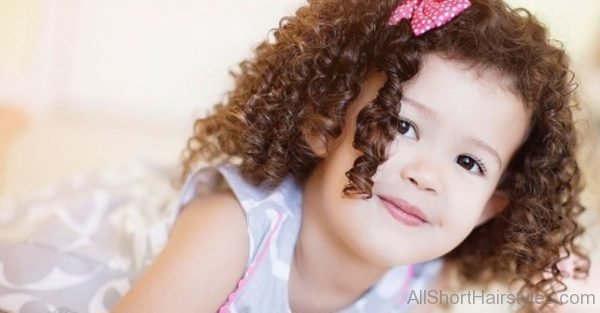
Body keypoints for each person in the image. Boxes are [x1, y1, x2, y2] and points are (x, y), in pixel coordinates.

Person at [113, 0, 592, 312]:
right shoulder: (231, 233)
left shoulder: (424, 286)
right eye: (403, 125)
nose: (427, 176)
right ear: (323, 122)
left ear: (490, 208)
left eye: (469, 162)